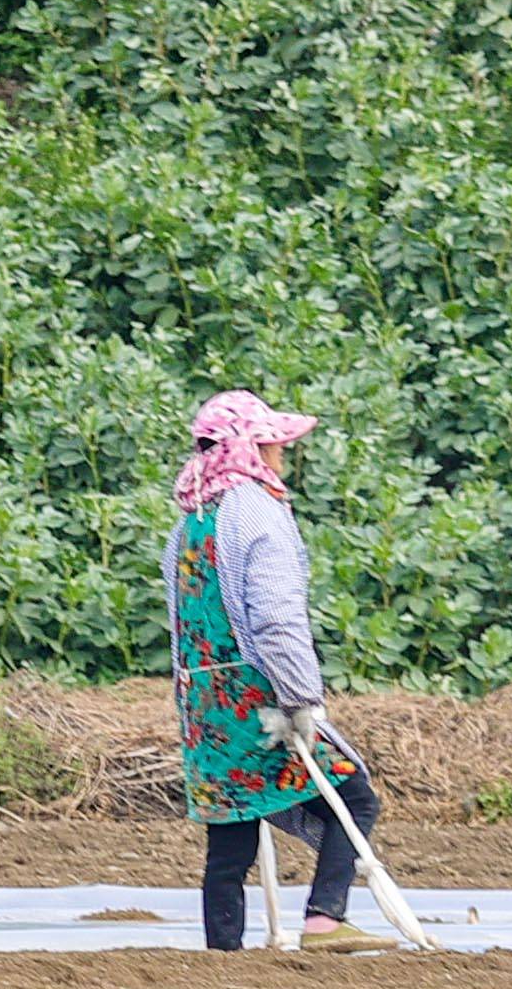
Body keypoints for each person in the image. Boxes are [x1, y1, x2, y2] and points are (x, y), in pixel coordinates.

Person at [164, 390, 385, 950]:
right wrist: (301, 699)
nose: (283, 456)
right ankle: (324, 921)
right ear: (254, 449)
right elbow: (277, 619)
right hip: (256, 701)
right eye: (276, 445)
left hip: (206, 702)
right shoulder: (256, 511)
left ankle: (224, 956)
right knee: (355, 798)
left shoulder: (191, 518)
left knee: (231, 837)